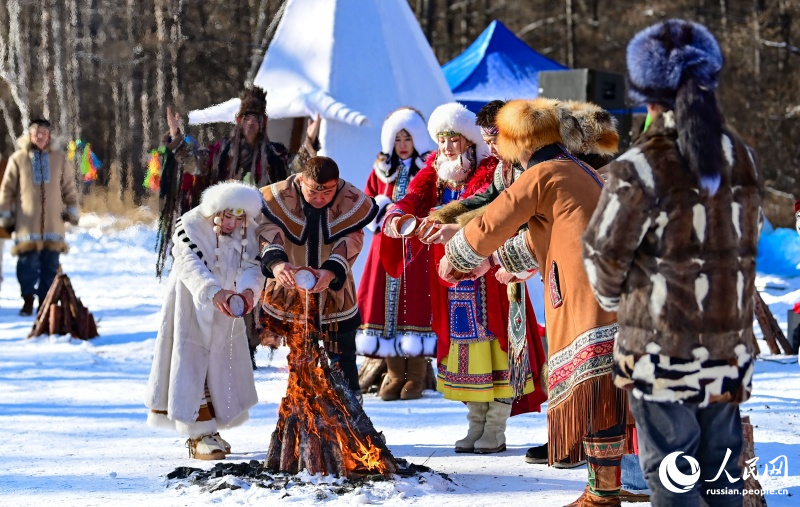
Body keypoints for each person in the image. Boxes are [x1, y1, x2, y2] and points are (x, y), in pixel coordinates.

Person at [582, 20, 763, 506]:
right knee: (722, 478)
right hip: (726, 353)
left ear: (644, 93)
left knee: (674, 482)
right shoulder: (740, 155)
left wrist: (624, 300)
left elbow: (602, 263)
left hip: (661, 355)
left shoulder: (640, 163)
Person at [439, 98, 627, 506]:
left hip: (583, 290)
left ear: (517, 139)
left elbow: (495, 219)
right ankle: (607, 486)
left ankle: (602, 492)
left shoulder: (542, 173)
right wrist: (495, 261)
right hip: (608, 285)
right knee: (606, 391)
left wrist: (455, 259)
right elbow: (546, 230)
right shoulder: (575, 169)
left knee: (593, 389)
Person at [382, 102, 547, 454]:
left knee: (501, 344)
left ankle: (496, 426)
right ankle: (476, 423)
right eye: (441, 141)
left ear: (469, 142)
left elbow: (488, 211)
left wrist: (452, 229)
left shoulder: (493, 170)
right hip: (456, 278)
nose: (446, 148)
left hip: (495, 273)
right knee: (465, 349)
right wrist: (400, 214)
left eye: (453, 140)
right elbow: (414, 196)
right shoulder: (436, 171)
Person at [158, 85, 320, 367]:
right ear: (238, 120)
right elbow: (194, 165)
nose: (251, 123)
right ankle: (217, 346)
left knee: (252, 286)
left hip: (257, 231)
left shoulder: (273, 155)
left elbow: (295, 173)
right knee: (220, 283)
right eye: (247, 117)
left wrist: (308, 141)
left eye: (257, 118)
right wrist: (176, 137)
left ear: (264, 123)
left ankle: (246, 348)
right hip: (223, 229)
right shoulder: (220, 153)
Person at [145, 180, 265, 460]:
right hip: (190, 306)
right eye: (227, 216)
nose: (232, 223)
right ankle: (197, 433)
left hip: (226, 311)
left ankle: (210, 428)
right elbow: (188, 262)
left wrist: (248, 291)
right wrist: (213, 292)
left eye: (239, 218)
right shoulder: (190, 224)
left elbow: (253, 265)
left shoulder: (248, 230)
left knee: (220, 367)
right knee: (190, 364)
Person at [257, 156, 378, 401]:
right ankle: (304, 416)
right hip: (291, 292)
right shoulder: (278, 198)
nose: (321, 199)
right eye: (314, 192)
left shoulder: (350, 200)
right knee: (300, 358)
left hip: (335, 294)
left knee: (343, 359)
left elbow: (353, 239)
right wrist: (277, 263)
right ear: (301, 181)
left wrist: (332, 270)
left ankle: (351, 417)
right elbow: (267, 230)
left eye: (328, 192)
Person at [355, 107, 437, 401]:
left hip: (417, 247)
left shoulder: (430, 169)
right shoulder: (380, 170)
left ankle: (414, 376)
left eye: (408, 138)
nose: (403, 144)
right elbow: (365, 203)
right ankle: (393, 373)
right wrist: (381, 208)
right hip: (384, 246)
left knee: (413, 305)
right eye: (398, 138)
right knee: (384, 307)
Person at [0, 118, 80, 316]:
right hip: (26, 222)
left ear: (49, 135)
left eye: (44, 132)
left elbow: (68, 186)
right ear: (30, 135)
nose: (40, 136)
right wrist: (5, 214)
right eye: (36, 133)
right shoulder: (18, 159)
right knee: (27, 265)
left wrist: (72, 208)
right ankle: (28, 300)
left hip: (53, 222)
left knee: (50, 265)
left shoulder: (59, 158)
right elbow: (7, 189)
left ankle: (46, 303)